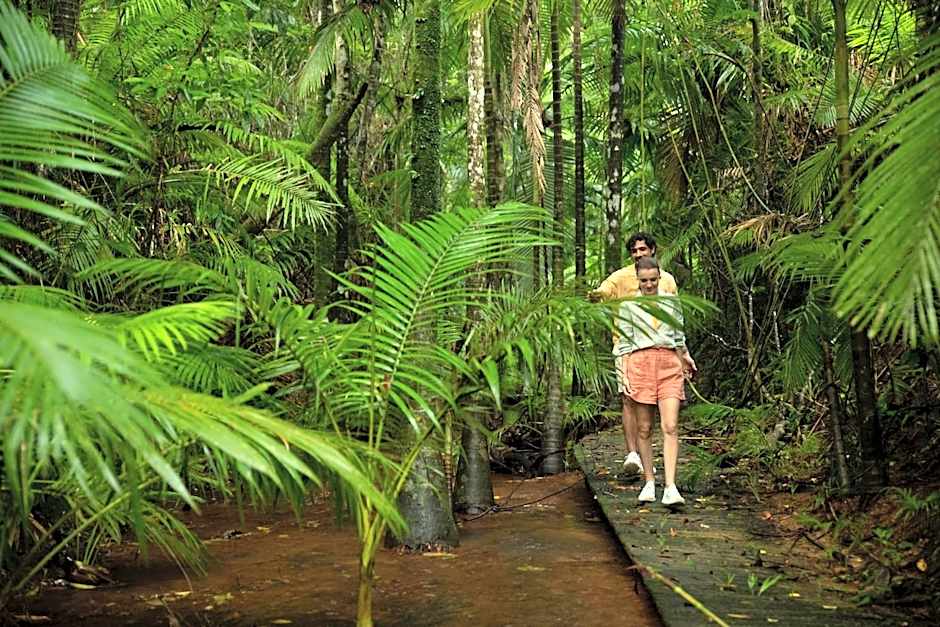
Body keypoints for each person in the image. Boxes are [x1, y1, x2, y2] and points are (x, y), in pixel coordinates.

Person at [589, 233, 694, 477]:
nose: (638, 254)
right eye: (634, 251)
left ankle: (659, 470)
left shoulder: (667, 280)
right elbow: (605, 290)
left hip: (663, 351)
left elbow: (676, 321)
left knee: (663, 414)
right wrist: (596, 294)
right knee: (629, 398)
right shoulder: (621, 277)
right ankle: (633, 454)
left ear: (653, 250)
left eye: (642, 249)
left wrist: (682, 354)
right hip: (628, 346)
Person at [616, 256, 694, 506]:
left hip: (669, 363)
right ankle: (649, 481)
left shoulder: (672, 302)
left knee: (670, 425)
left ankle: (670, 487)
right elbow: (624, 344)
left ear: (660, 276)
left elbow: (678, 336)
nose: (649, 285)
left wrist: (685, 358)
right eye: (644, 281)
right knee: (644, 428)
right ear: (637, 280)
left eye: (653, 279)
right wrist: (624, 376)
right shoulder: (629, 306)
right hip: (640, 364)